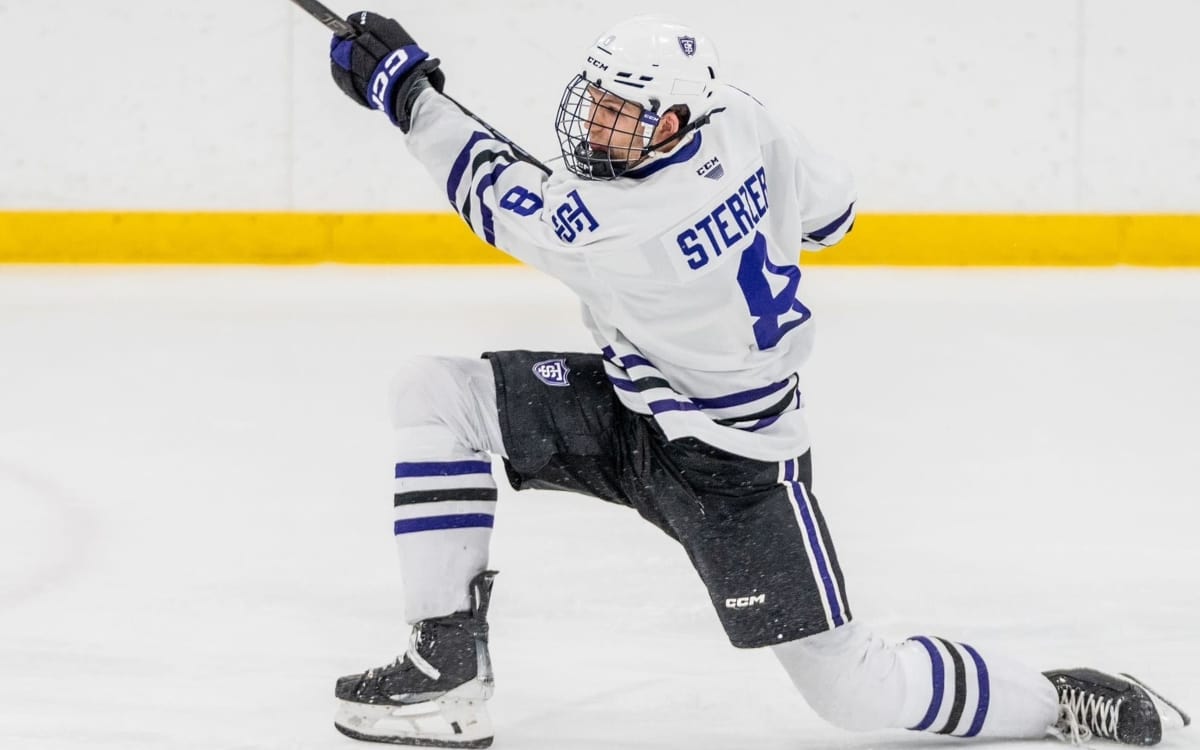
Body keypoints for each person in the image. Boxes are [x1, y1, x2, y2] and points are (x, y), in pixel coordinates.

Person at [323, 11, 1190, 748]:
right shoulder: (740, 117)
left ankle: (1056, 698)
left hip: (733, 472)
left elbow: (491, 192)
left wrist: (407, 94)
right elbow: (832, 217)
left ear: (669, 125)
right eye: (597, 104)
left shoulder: (616, 230)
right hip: (637, 414)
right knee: (435, 394)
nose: (595, 129)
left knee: (854, 692)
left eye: (622, 115)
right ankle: (446, 667)